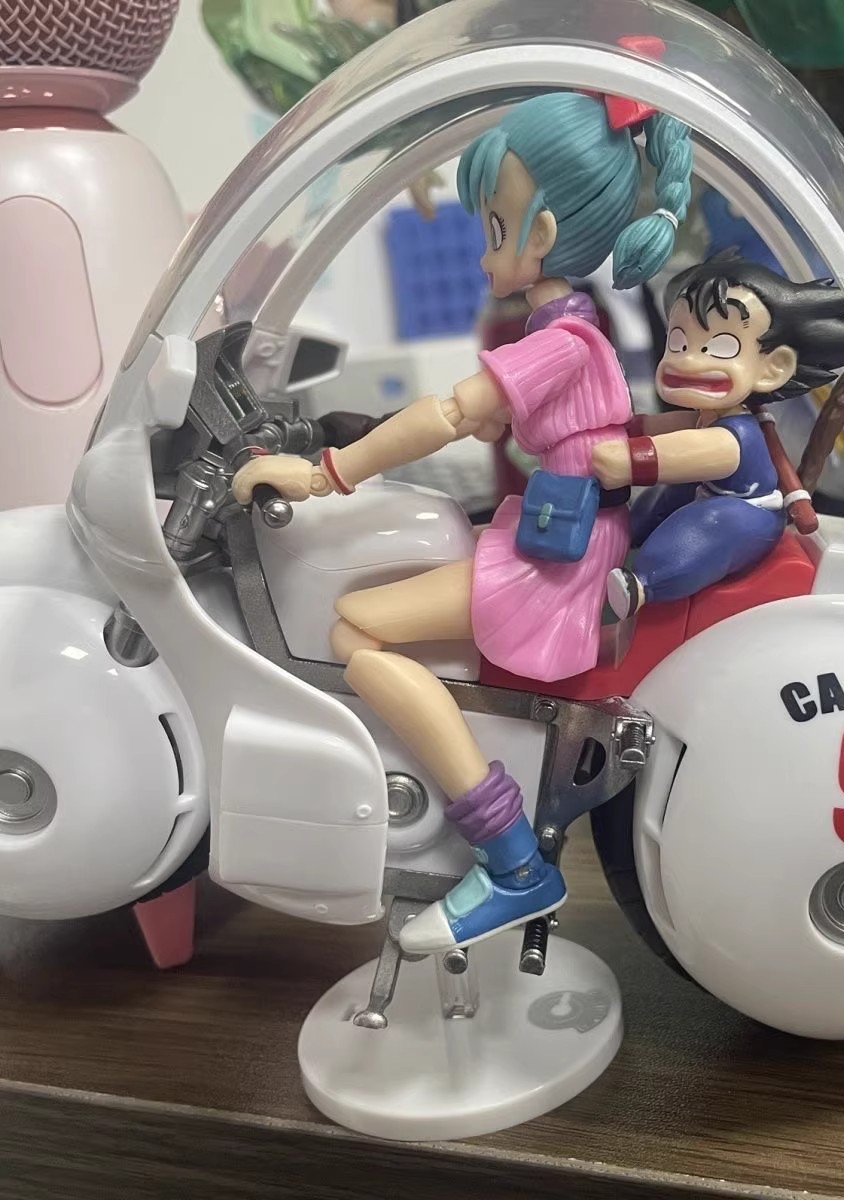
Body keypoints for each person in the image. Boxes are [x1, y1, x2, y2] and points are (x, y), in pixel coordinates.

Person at [232, 91, 691, 954]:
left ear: (541, 234)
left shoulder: (561, 342)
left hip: (559, 560)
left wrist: (325, 472)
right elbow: (497, 420)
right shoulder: (568, 330)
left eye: (495, 228)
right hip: (554, 532)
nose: (483, 251)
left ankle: (511, 858)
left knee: (357, 632)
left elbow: (447, 413)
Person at [592, 254, 844, 616]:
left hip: (748, 515)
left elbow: (682, 452)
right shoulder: (707, 416)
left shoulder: (735, 435)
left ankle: (647, 582)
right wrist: (625, 427)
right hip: (709, 492)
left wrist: (627, 460)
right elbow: (665, 427)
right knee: (668, 498)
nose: (688, 360)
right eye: (678, 342)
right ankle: (625, 537)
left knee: (710, 522)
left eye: (721, 347)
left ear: (772, 368)